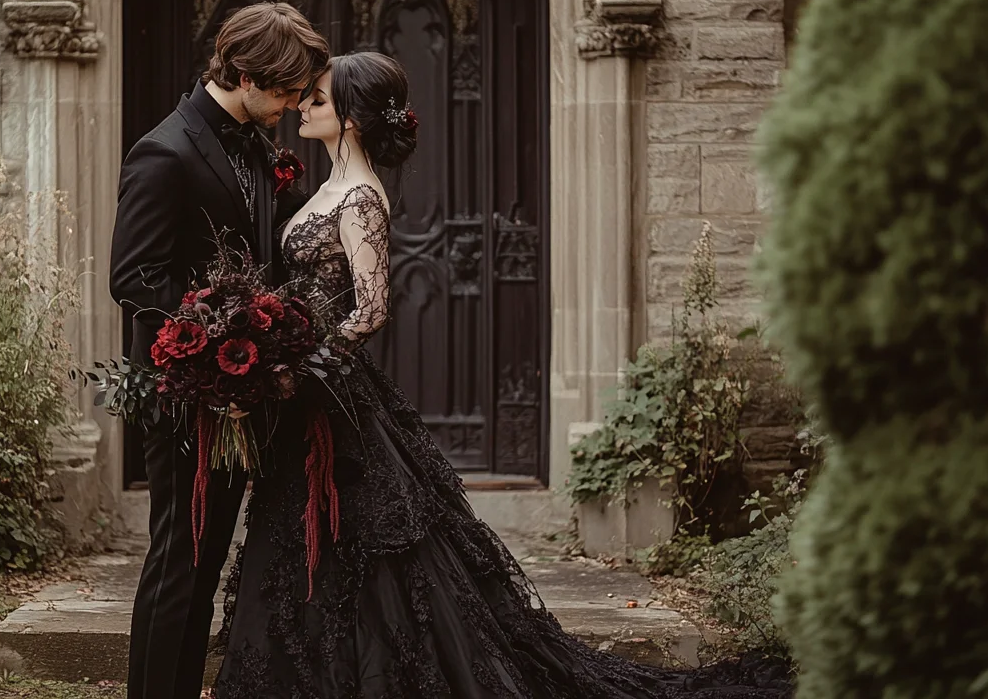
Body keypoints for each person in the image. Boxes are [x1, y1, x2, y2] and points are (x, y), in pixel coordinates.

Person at [212, 51, 794, 698]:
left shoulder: (358, 197)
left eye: (318, 97)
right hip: (307, 401)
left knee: (367, 549)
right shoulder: (324, 187)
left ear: (349, 119)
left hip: (330, 400)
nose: (304, 104)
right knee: (302, 538)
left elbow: (372, 306)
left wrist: (305, 368)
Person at [108, 2, 329, 699]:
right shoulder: (163, 151)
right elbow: (134, 276)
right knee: (179, 561)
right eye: (287, 90)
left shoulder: (255, 147)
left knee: (203, 565)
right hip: (185, 391)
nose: (294, 105)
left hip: (242, 394)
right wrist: (220, 336)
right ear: (240, 73)